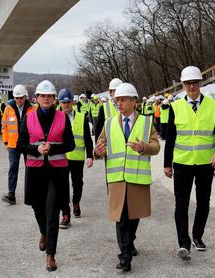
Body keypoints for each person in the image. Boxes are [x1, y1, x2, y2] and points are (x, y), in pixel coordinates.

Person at [94, 82, 159, 272]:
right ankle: (125, 257)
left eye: (123, 100)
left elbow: (156, 146)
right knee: (121, 219)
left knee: (133, 217)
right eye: (117, 101)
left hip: (137, 179)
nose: (119, 104)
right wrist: (97, 152)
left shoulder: (147, 123)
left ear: (133, 101)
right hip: (117, 179)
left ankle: (129, 244)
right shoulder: (110, 123)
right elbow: (100, 146)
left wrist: (144, 147)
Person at [164, 66, 215, 261]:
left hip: (205, 164)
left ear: (200, 83)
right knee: (181, 204)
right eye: (188, 83)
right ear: (182, 85)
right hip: (182, 164)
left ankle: (197, 236)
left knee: (203, 203)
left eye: (195, 82)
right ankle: (183, 243)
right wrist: (167, 164)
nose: (192, 86)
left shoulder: (213, 106)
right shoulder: (175, 107)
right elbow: (170, 138)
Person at [17, 80, 75, 271]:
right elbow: (21, 144)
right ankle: (43, 232)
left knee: (52, 211)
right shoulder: (29, 118)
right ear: (37, 98)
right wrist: (36, 148)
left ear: (54, 98)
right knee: (37, 207)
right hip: (35, 169)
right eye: (43, 96)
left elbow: (70, 145)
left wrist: (52, 147)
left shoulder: (62, 118)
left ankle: (51, 254)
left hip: (56, 170)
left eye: (49, 96)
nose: (46, 99)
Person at [58, 88, 94, 228]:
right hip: (61, 157)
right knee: (62, 186)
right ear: (59, 103)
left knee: (77, 183)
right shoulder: (56, 118)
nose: (66, 105)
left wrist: (89, 155)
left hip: (77, 157)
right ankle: (65, 214)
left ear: (72, 102)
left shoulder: (81, 117)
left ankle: (76, 201)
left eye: (68, 102)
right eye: (63, 102)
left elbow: (87, 138)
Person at [1, 84, 34, 204]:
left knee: (30, 168)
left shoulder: (32, 109)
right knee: (13, 168)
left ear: (25, 96)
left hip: (27, 144)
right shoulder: (8, 109)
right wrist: (5, 141)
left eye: (21, 97)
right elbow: (4, 126)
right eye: (17, 98)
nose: (19, 100)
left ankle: (31, 193)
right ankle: (11, 194)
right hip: (13, 145)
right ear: (14, 98)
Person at [94, 78, 123, 143]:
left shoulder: (129, 107)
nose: (119, 94)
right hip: (111, 148)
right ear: (110, 92)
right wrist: (98, 147)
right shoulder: (104, 108)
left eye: (121, 91)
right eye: (116, 91)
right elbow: (99, 130)